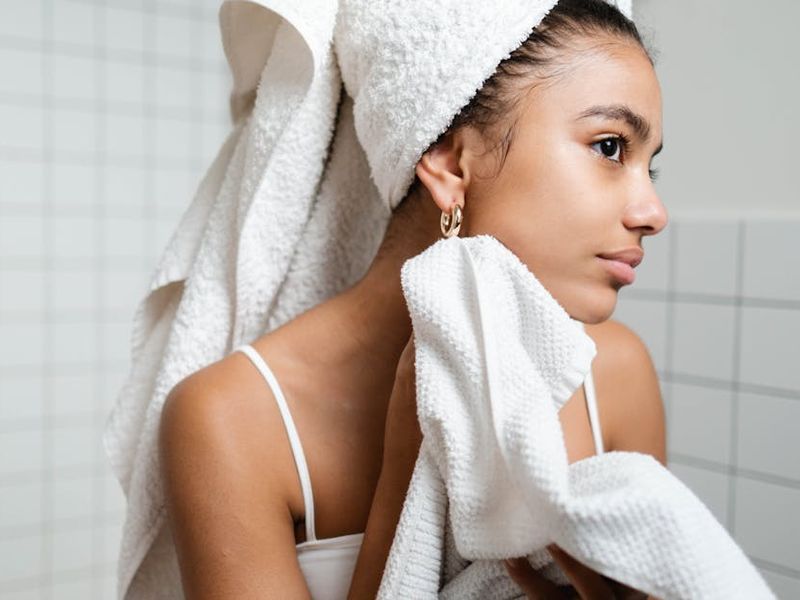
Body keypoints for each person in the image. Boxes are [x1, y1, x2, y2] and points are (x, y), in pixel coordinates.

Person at [157, 0, 667, 598]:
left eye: (650, 167)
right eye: (610, 147)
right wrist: (407, 465)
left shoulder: (617, 373)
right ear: (451, 164)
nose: (653, 213)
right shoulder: (230, 420)